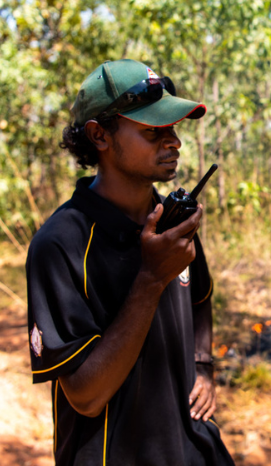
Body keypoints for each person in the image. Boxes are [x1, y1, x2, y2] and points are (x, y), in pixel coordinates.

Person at [26, 59, 235, 465]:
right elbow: (86, 397)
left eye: (173, 128)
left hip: (192, 447)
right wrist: (152, 277)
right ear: (99, 135)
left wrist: (204, 365)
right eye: (153, 131)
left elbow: (200, 297)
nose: (173, 141)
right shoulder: (59, 244)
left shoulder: (172, 220)